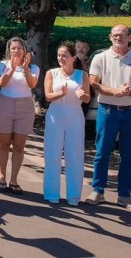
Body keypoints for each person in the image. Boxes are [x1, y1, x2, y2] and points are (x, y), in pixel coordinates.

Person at [85, 25, 131, 211]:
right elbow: (94, 83)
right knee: (102, 152)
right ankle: (98, 190)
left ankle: (124, 196)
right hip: (107, 110)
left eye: (122, 35)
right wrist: (114, 91)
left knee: (129, 155)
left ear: (130, 37)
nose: (118, 38)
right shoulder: (100, 57)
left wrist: (127, 91)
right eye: (115, 35)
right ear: (110, 37)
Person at [43, 42, 90, 206]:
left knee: (75, 155)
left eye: (64, 55)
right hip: (55, 114)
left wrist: (82, 94)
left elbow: (87, 98)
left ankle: (74, 195)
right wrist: (60, 93)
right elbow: (48, 96)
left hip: (75, 115)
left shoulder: (82, 75)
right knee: (52, 153)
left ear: (73, 57)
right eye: (59, 55)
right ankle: (51, 193)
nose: (61, 58)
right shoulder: (52, 73)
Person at [0, 37, 39, 194]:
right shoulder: (2, 64)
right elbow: (2, 83)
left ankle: (14, 179)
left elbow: (32, 84)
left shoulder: (33, 67)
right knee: (4, 144)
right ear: (9, 50)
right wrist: (12, 68)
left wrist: (25, 68)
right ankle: (2, 177)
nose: (16, 51)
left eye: (19, 48)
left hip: (25, 106)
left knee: (19, 146)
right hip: (5, 104)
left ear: (24, 50)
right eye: (13, 48)